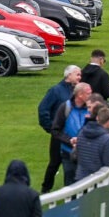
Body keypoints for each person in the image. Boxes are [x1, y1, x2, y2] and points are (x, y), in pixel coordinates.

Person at [36, 64, 82, 192]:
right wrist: (51, 128)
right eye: (78, 74)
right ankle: (45, 189)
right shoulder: (56, 91)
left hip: (73, 135)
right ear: (69, 75)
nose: (80, 77)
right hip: (59, 134)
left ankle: (73, 188)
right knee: (54, 163)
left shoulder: (75, 91)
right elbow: (43, 109)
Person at [73, 103, 109, 182]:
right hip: (97, 179)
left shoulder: (82, 132)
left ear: (97, 118)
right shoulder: (107, 139)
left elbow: (76, 154)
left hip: (81, 178)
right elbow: (108, 161)